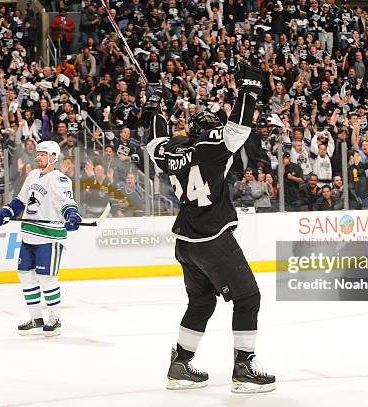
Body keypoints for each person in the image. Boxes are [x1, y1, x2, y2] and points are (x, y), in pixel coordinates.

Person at [145, 62, 275, 393]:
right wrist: (248, 92)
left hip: (186, 242)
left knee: (202, 302)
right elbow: (237, 130)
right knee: (249, 298)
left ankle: (179, 365)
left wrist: (155, 107)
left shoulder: (170, 150)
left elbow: (153, 141)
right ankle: (244, 369)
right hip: (212, 238)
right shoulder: (210, 149)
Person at [0, 141, 82, 336]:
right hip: (28, 235)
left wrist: (72, 216)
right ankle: (37, 319)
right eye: (38, 154)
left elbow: (67, 203)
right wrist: (8, 210)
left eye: (42, 154)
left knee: (47, 278)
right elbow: (21, 200)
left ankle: (55, 320)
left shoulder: (59, 179)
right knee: (25, 276)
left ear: (53, 157)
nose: (38, 157)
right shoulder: (33, 175)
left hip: (49, 238)